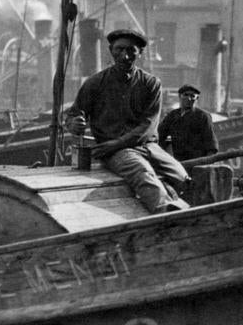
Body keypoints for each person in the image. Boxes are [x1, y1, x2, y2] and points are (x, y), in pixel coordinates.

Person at [65, 29, 189, 213]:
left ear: (140, 53)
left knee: (182, 176)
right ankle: (166, 217)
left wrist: (115, 143)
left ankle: (185, 206)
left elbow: (148, 125)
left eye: (131, 50)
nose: (125, 56)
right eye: (119, 49)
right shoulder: (94, 83)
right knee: (143, 173)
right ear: (110, 50)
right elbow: (72, 115)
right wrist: (74, 124)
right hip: (116, 152)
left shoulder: (151, 83)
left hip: (146, 145)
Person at [158, 84, 219, 162]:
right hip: (178, 162)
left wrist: (206, 163)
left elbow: (211, 144)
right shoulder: (172, 116)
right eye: (185, 95)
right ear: (180, 96)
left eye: (192, 96)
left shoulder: (203, 116)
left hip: (197, 162)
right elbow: (160, 135)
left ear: (197, 98)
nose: (189, 99)